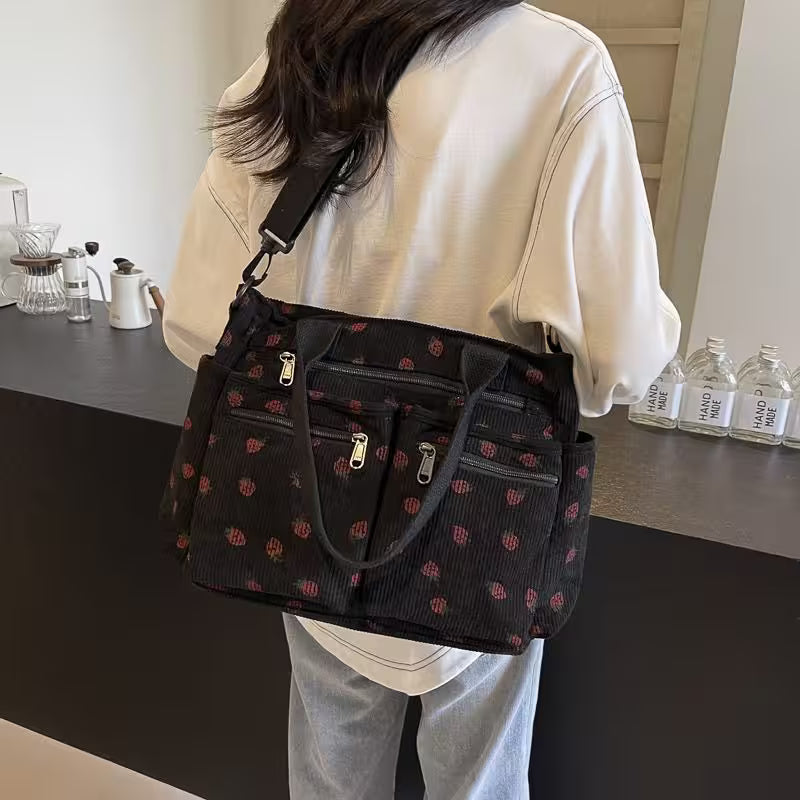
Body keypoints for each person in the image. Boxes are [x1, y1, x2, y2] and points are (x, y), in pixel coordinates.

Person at [164, 2, 680, 797]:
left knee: (331, 778)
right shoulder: (562, 68)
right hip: (481, 516)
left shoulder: (296, 51)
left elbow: (198, 326)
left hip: (315, 497)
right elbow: (623, 358)